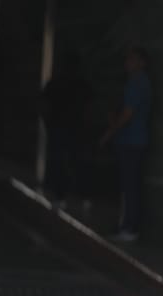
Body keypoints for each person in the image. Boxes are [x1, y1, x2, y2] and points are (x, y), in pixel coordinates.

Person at [102, 46, 153, 242]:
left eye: (132, 59)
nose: (128, 63)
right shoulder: (139, 83)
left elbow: (127, 114)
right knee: (129, 185)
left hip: (132, 141)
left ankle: (129, 228)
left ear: (142, 63)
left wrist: (110, 131)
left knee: (130, 185)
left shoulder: (138, 83)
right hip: (132, 140)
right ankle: (127, 225)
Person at [41, 50, 92, 211]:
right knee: (77, 162)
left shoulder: (56, 82)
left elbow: (43, 105)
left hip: (59, 127)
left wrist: (48, 123)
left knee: (59, 162)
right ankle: (84, 196)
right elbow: (89, 108)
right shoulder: (81, 83)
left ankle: (61, 196)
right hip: (75, 128)